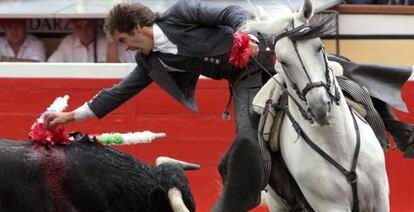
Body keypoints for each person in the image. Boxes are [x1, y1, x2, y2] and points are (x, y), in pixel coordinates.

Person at [45, 1, 273, 211]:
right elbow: (118, 93)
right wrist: (71, 116)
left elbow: (233, 13)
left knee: (254, 131)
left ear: (136, 27)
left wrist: (248, 37)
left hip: (270, 56)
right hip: (244, 78)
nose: (125, 48)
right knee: (244, 137)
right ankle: (256, 190)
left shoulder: (180, 13)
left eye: (123, 40)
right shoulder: (149, 60)